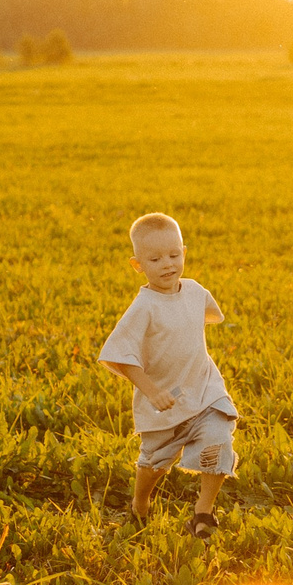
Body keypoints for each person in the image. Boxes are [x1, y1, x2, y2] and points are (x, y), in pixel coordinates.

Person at [98, 212, 237, 538]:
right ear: (138, 265)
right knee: (154, 465)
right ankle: (140, 502)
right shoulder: (143, 307)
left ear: (184, 253)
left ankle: (203, 513)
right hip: (164, 400)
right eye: (155, 259)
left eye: (174, 255)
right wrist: (151, 390)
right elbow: (122, 356)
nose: (167, 264)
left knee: (219, 440)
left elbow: (202, 320)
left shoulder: (195, 292)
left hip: (204, 388)